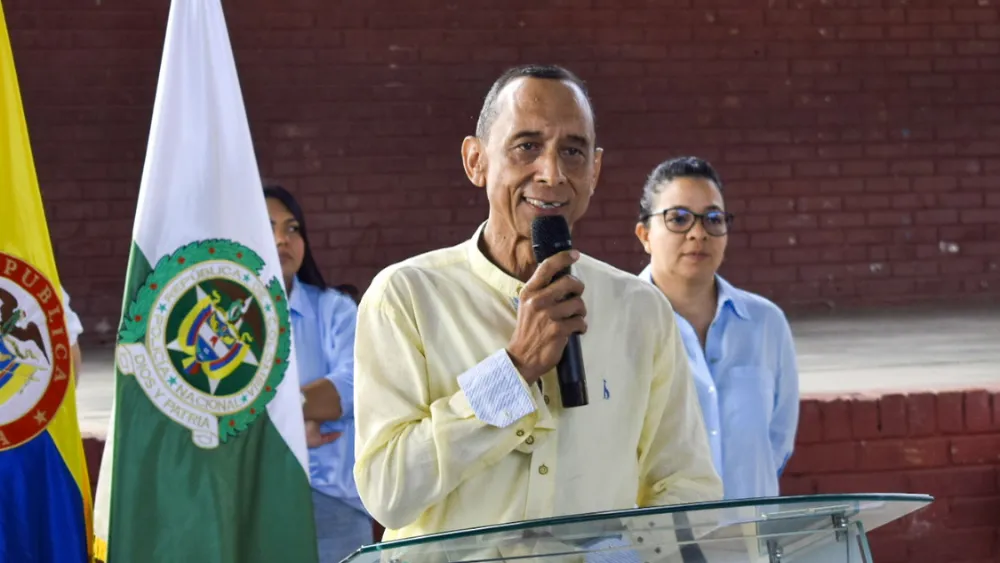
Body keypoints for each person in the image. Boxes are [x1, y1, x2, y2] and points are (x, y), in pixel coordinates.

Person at [352, 65, 722, 543]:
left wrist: (617, 558)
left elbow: (685, 486)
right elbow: (389, 493)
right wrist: (513, 369)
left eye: (573, 151)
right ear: (476, 161)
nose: (552, 172)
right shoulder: (407, 297)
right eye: (527, 146)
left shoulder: (639, 310)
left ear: (595, 170)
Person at [633, 156, 800, 500]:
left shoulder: (765, 324)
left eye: (713, 219)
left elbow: (777, 444)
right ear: (645, 234)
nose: (698, 233)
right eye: (678, 219)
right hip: (660, 546)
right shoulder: (619, 324)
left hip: (749, 542)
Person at [263, 185, 371, 563]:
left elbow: (356, 385)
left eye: (292, 228)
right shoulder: (221, 324)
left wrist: (281, 414)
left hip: (333, 502)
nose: (282, 239)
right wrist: (297, 422)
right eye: (268, 226)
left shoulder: (335, 309)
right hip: (257, 501)